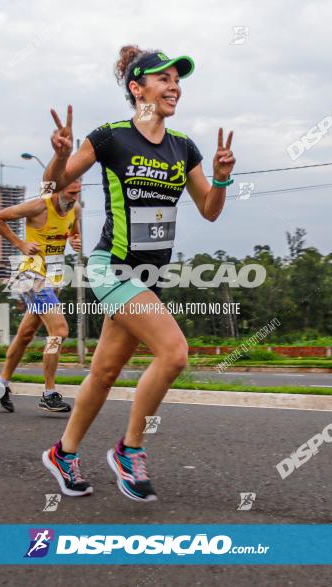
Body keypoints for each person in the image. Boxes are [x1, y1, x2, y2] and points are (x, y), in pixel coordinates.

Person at [40, 46, 235, 500]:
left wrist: (223, 178)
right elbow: (53, 188)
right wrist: (59, 155)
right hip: (112, 268)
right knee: (174, 353)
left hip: (150, 279)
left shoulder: (183, 147)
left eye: (178, 81)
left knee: (105, 372)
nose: (174, 88)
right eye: (164, 79)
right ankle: (130, 450)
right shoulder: (110, 137)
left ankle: (63, 453)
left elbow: (209, 210)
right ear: (137, 87)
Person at [0, 180, 83, 413]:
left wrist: (74, 240)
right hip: (32, 276)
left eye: (78, 193)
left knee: (26, 333)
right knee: (59, 331)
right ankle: (49, 394)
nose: (73, 198)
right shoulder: (38, 207)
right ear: (59, 189)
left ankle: (1, 383)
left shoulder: (75, 208)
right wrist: (20, 243)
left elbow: (73, 230)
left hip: (52, 279)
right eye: (70, 193)